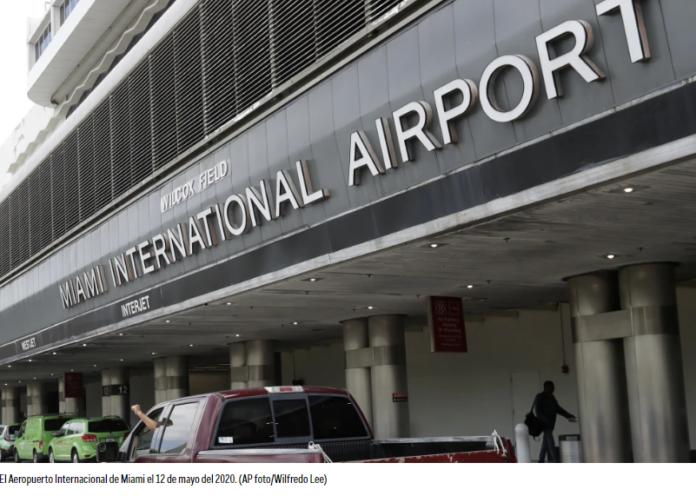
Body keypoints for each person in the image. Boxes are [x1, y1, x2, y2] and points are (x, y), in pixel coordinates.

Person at [534, 381, 576, 463]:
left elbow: (559, 409)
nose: (553, 389)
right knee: (551, 442)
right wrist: (546, 421)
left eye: (553, 387)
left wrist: (569, 416)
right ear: (546, 387)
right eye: (551, 387)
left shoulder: (552, 398)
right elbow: (538, 412)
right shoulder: (540, 396)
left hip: (550, 424)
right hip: (544, 424)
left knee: (545, 442)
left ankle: (541, 460)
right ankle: (556, 461)